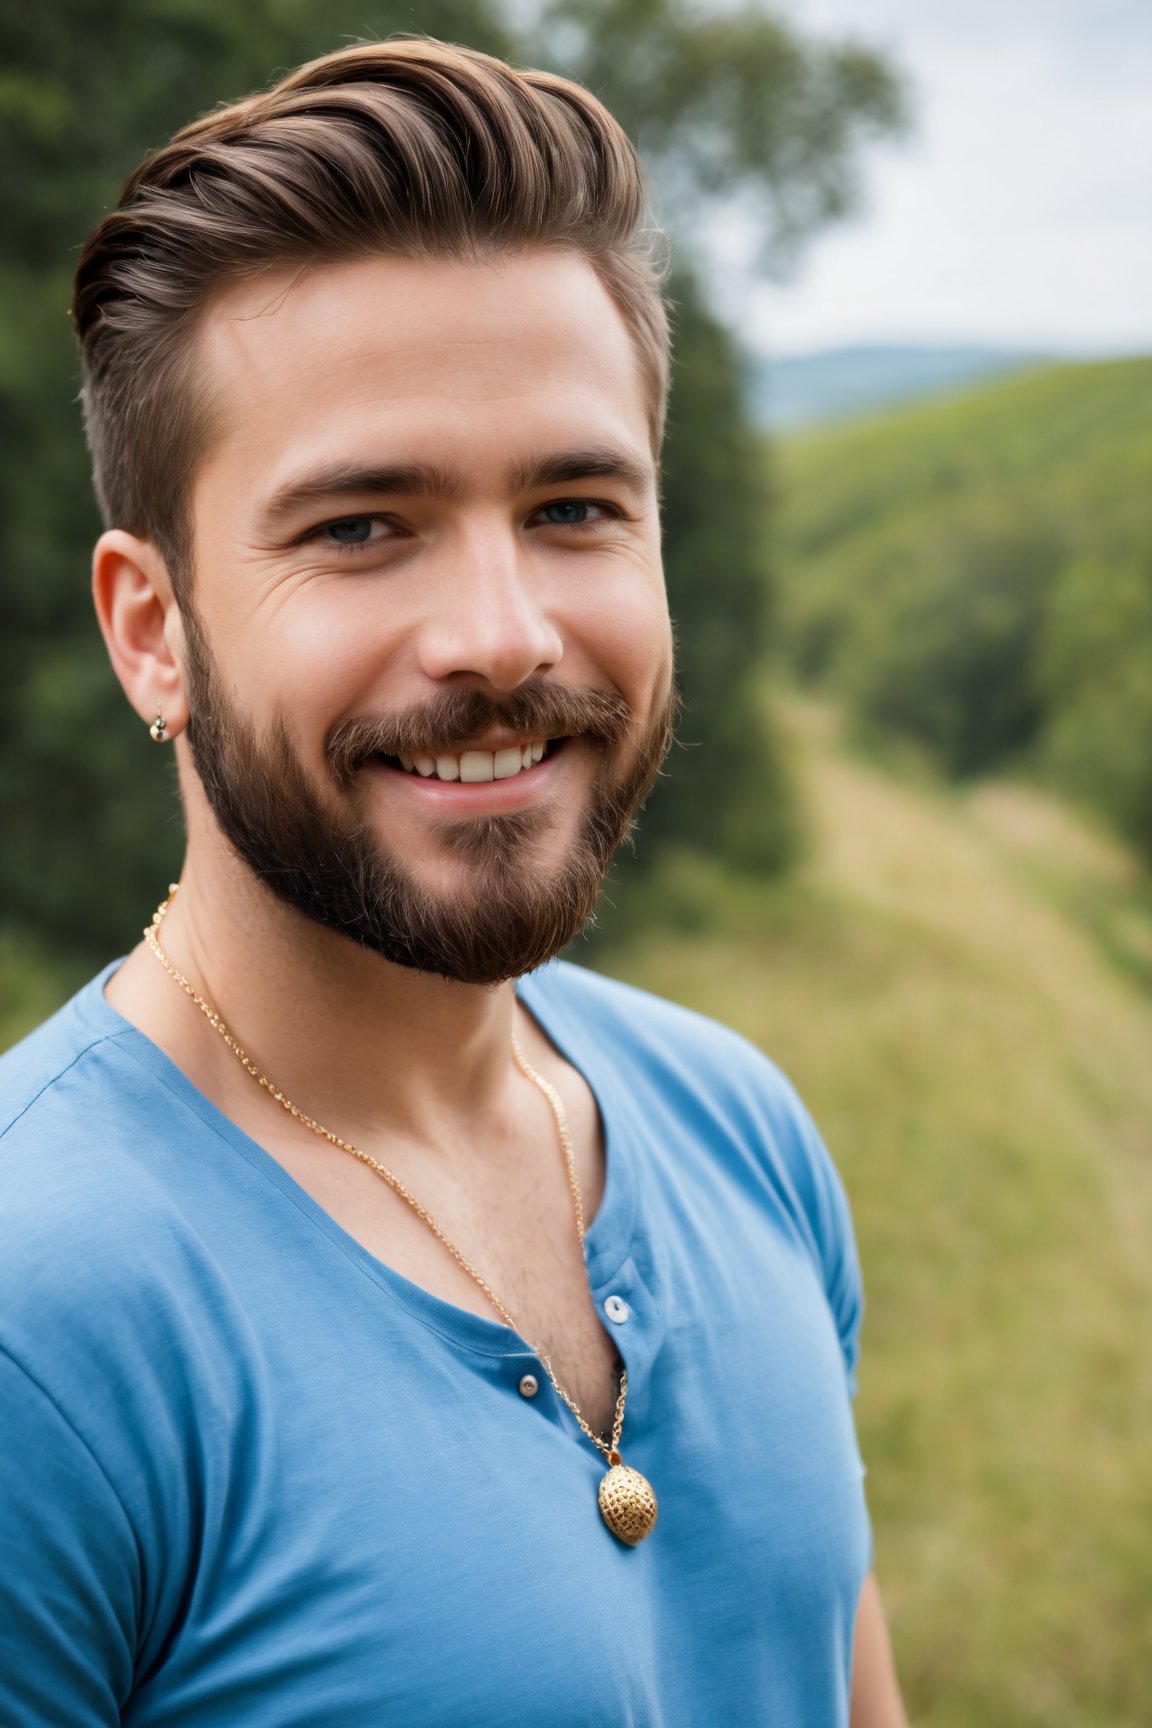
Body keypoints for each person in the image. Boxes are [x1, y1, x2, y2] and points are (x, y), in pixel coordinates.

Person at [0, 39, 906, 1727]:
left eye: (574, 505)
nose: (501, 632)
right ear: (152, 630)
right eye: (361, 526)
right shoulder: (41, 1327)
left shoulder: (744, 1130)